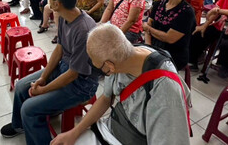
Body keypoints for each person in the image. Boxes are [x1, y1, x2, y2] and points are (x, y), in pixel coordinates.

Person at [50, 24, 190, 145]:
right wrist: (74, 132)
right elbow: (105, 98)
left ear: (110, 67)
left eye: (99, 67)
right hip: (114, 127)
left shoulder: (165, 89)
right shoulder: (123, 55)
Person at [0, 0, 99, 145]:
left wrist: (44, 89)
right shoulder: (63, 16)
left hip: (81, 84)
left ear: (57, 3)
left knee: (29, 109)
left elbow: (72, 75)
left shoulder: (84, 29)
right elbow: (59, 49)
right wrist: (43, 77)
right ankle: (20, 126)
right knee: (21, 86)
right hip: (64, 68)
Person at [143, 0, 197, 70]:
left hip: (172, 55)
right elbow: (148, 25)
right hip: (152, 46)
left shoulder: (186, 12)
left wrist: (149, 29)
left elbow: (169, 38)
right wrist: (148, 46)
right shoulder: (158, 4)